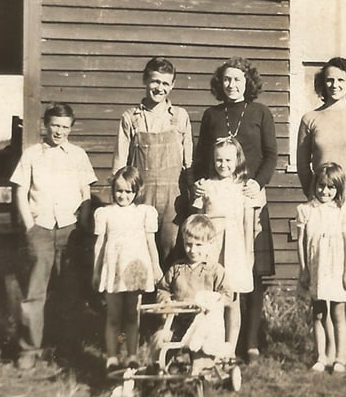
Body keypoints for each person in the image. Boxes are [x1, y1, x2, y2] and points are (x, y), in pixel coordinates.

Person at [192, 57, 277, 361]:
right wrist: (198, 183)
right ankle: (213, 340)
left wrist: (257, 183)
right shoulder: (211, 114)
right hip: (218, 204)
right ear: (220, 83)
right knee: (214, 272)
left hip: (249, 199)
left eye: (238, 79)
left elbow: (270, 155)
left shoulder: (260, 112)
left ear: (248, 82)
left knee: (249, 272)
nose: (232, 85)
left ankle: (250, 343)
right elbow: (201, 159)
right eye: (227, 80)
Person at [296, 56, 346, 368]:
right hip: (322, 203)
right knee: (325, 272)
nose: (334, 85)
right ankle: (327, 350)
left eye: (341, 80)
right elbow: (304, 165)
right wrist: (317, 200)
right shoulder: (310, 119)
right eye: (329, 80)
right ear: (322, 83)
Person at [10, 102, 98, 370]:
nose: (59, 131)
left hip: (71, 231)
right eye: (55, 125)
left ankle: (67, 347)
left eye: (65, 127)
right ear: (45, 126)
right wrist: (30, 227)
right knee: (34, 293)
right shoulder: (32, 155)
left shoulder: (78, 155)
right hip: (41, 229)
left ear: (71, 128)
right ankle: (29, 349)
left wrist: (82, 226)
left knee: (70, 292)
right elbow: (20, 193)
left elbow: (86, 194)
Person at [113, 57, 192, 270]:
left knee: (171, 248)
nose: (160, 88)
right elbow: (120, 163)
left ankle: (167, 300)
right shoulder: (131, 117)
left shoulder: (179, 116)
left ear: (173, 85)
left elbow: (188, 162)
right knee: (139, 248)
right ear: (145, 81)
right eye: (155, 81)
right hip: (140, 194)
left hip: (173, 198)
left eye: (166, 83)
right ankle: (139, 301)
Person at [193, 137, 263, 356]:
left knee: (232, 299)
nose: (223, 165)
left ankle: (230, 349)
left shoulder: (245, 188)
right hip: (210, 247)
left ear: (238, 160)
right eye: (219, 160)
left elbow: (249, 224)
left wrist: (249, 253)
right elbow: (197, 221)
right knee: (210, 298)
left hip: (234, 248)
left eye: (228, 160)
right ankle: (209, 346)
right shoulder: (206, 187)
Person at [93, 166, 163, 368]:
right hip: (113, 271)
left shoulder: (144, 213)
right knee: (113, 316)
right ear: (113, 189)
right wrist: (96, 271)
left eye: (128, 191)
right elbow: (100, 245)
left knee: (133, 315)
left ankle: (131, 356)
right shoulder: (105, 213)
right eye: (119, 190)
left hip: (135, 271)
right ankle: (112, 357)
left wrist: (156, 266)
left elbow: (151, 244)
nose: (123, 195)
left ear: (136, 191)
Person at [296, 163, 346, 374]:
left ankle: (340, 356)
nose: (325, 191)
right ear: (315, 185)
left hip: (337, 267)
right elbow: (301, 242)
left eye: (331, 187)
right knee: (318, 313)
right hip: (316, 268)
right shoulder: (306, 211)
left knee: (338, 313)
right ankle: (322, 356)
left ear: (338, 189)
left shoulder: (344, 212)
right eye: (321, 186)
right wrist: (304, 269)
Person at [155, 214, 233, 359]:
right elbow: (163, 289)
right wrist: (166, 301)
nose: (192, 250)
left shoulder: (215, 270)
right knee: (160, 339)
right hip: (177, 320)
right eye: (188, 244)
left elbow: (227, 296)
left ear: (210, 243)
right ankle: (157, 372)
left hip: (202, 322)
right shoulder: (177, 268)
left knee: (201, 349)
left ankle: (200, 373)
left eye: (198, 245)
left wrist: (212, 302)